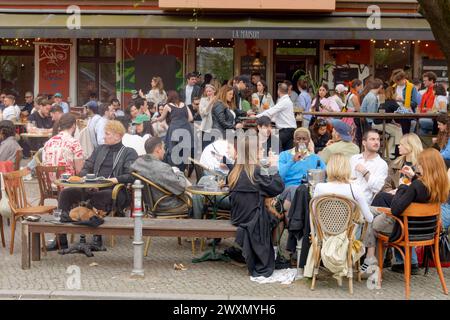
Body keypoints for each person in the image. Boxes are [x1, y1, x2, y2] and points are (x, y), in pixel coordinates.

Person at [48, 120, 138, 251]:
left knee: (99, 196)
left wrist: (113, 180)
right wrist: (84, 177)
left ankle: (97, 237)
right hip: (91, 187)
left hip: (115, 191)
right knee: (66, 193)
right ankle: (60, 239)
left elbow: (131, 175)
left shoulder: (129, 152)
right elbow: (87, 166)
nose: (103, 137)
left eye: (107, 134)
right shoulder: (99, 149)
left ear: (118, 136)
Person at [364, 148, 449, 274]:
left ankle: (369, 260)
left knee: (370, 218)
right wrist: (414, 177)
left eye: (420, 162)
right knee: (370, 211)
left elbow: (396, 209)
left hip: (404, 230)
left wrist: (402, 187)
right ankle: (370, 260)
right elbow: (422, 191)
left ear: (426, 165)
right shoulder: (440, 185)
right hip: (427, 230)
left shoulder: (416, 186)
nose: (417, 165)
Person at [228, 136, 285, 277]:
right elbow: (278, 187)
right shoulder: (257, 171)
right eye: (259, 149)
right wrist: (273, 167)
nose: (262, 151)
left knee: (272, 212)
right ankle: (275, 252)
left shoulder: (234, 171)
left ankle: (271, 250)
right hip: (253, 219)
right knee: (280, 216)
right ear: (253, 152)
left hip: (237, 217)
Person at [131, 137, 189, 212]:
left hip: (149, 204)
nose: (164, 151)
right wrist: (179, 172)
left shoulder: (137, 163)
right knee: (195, 198)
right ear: (158, 150)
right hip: (166, 204)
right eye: (163, 148)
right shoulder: (162, 168)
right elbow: (181, 187)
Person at [314, 153, 373, 223]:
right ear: (347, 168)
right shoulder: (355, 189)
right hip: (347, 232)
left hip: (323, 232)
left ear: (329, 168)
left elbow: (314, 215)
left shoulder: (319, 187)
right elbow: (369, 219)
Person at [278, 128, 325, 212]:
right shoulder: (284, 155)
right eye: (298, 139)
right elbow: (279, 176)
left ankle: (295, 223)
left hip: (309, 190)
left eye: (304, 139)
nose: (301, 142)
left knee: (301, 191)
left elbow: (326, 174)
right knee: (295, 190)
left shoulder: (315, 157)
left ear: (308, 141)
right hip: (289, 187)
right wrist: (292, 161)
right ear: (294, 141)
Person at [153, 90, 193, 172]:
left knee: (173, 150)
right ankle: (182, 170)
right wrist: (183, 120)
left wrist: (154, 120)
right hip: (186, 129)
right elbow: (191, 118)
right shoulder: (184, 105)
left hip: (175, 129)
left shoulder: (168, 106)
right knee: (184, 151)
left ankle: (175, 170)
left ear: (169, 97)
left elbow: (162, 118)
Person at [350, 130, 388, 205]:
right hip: (347, 198)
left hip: (365, 204)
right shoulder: (354, 158)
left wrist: (365, 172)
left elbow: (377, 188)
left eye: (378, 139)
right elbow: (346, 178)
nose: (376, 142)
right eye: (372, 139)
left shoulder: (382, 164)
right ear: (364, 142)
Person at [255, 82, 297, 151]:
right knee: (287, 151)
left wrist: (256, 116)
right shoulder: (284, 100)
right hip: (289, 129)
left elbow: (271, 111)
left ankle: (275, 159)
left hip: (287, 130)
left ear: (279, 91)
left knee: (272, 143)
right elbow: (276, 115)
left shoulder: (284, 101)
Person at [42, 113, 84, 180]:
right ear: (74, 125)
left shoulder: (48, 142)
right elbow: (79, 171)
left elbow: (44, 164)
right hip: (67, 186)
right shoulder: (74, 143)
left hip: (48, 186)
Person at [371, 85, 403, 159]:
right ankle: (398, 149)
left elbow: (387, 113)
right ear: (393, 93)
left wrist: (394, 123)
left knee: (395, 132)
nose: (397, 95)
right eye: (396, 93)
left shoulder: (384, 101)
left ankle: (388, 152)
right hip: (380, 124)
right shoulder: (392, 102)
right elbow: (402, 111)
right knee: (398, 130)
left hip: (376, 123)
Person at [345, 79, 364, 145]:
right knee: (353, 133)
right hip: (353, 116)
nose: (361, 88)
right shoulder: (354, 96)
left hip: (347, 115)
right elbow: (358, 109)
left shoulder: (348, 94)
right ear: (356, 86)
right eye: (360, 86)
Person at [199, 84, 217, 149]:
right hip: (206, 128)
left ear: (214, 91)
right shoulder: (203, 100)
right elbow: (203, 113)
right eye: (207, 91)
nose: (208, 93)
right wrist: (210, 103)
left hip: (216, 128)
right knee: (205, 148)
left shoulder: (218, 100)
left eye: (210, 91)